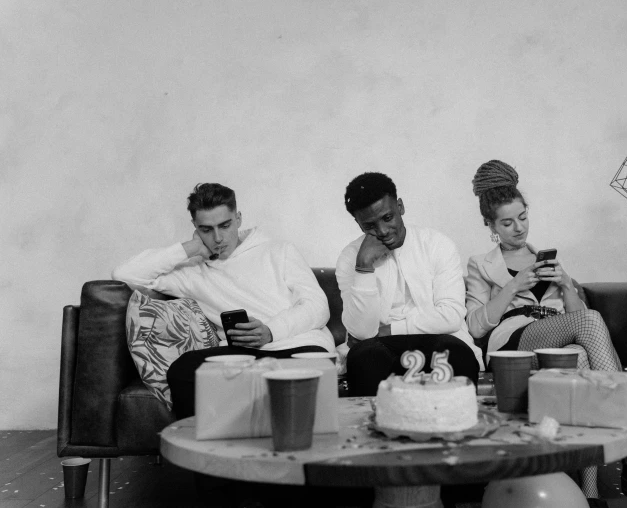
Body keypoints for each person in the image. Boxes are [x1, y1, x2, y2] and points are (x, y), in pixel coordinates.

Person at [466, 160, 627, 508]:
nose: (518, 227)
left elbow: (578, 319)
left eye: (523, 217)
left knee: (583, 357)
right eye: (507, 223)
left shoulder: (545, 260)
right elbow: (476, 325)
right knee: (590, 322)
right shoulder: (480, 264)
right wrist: (512, 286)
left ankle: (590, 493)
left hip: (557, 335)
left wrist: (566, 285)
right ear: (490, 225)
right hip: (514, 341)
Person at [112, 183, 334, 419]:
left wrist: (271, 331)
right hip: (244, 358)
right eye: (206, 230)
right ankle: (200, 449)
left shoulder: (279, 251)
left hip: (300, 349)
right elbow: (125, 274)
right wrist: (192, 248)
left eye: (225, 225)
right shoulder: (193, 272)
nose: (218, 238)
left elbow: (318, 306)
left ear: (238, 219)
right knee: (183, 369)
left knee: (300, 371)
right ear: (195, 228)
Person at [336, 172, 483, 396]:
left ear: (400, 206)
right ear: (358, 224)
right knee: (364, 360)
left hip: (441, 338)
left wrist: (389, 329)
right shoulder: (351, 257)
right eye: (370, 226)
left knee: (458, 356)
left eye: (387, 218)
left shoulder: (437, 244)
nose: (383, 231)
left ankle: (454, 430)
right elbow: (362, 332)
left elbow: (451, 316)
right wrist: (364, 266)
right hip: (380, 347)